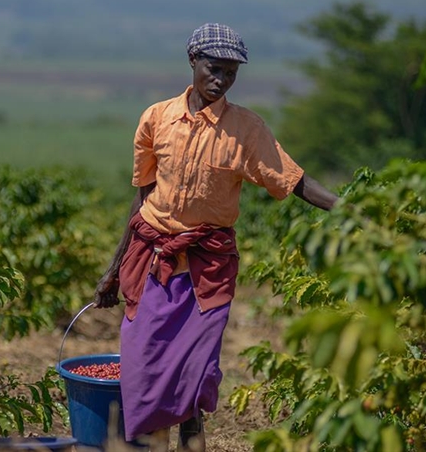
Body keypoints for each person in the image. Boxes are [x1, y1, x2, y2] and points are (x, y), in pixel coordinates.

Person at [94, 23, 338, 451]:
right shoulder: (156, 119)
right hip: (151, 262)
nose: (221, 80)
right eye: (214, 69)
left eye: (231, 73)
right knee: (144, 373)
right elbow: (142, 199)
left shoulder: (246, 129)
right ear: (193, 61)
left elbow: (293, 180)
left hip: (207, 270)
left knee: (194, 379)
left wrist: (348, 209)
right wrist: (113, 270)